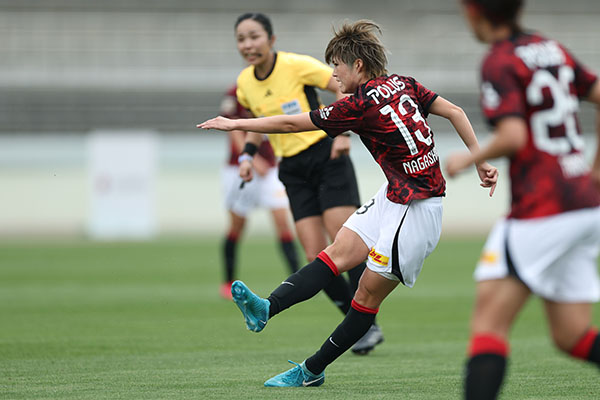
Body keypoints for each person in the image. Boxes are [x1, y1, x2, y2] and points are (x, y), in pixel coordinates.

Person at [199, 20, 498, 387]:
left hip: (418, 210)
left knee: (366, 296)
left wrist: (235, 125)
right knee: (335, 253)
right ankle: (267, 308)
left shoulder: (359, 105)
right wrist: (480, 160)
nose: (334, 74)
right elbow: (456, 112)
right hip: (394, 195)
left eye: (337, 65)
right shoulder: (404, 83)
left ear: (358, 64)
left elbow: (292, 124)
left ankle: (311, 370)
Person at [446, 1, 600, 398]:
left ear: (474, 12)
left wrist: (468, 157)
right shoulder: (551, 48)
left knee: (488, 326)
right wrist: (595, 170)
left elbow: (513, 136)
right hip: (583, 203)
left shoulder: (499, 60)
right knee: (572, 335)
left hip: (541, 209)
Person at [230, 12, 383, 354]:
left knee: (346, 244)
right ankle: (361, 325)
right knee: (316, 254)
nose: (248, 44)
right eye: (241, 39)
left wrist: (342, 134)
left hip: (326, 157)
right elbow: (257, 123)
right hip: (292, 169)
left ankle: (365, 322)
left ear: (271, 39)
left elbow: (345, 89)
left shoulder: (296, 65)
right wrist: (246, 157)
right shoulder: (245, 82)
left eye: (254, 36)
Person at [218, 85, 299, 300]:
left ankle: (298, 281)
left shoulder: (276, 85)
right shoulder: (236, 92)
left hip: (270, 170)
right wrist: (252, 159)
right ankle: (228, 281)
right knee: (237, 226)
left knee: (283, 222)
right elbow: (233, 130)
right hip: (239, 168)